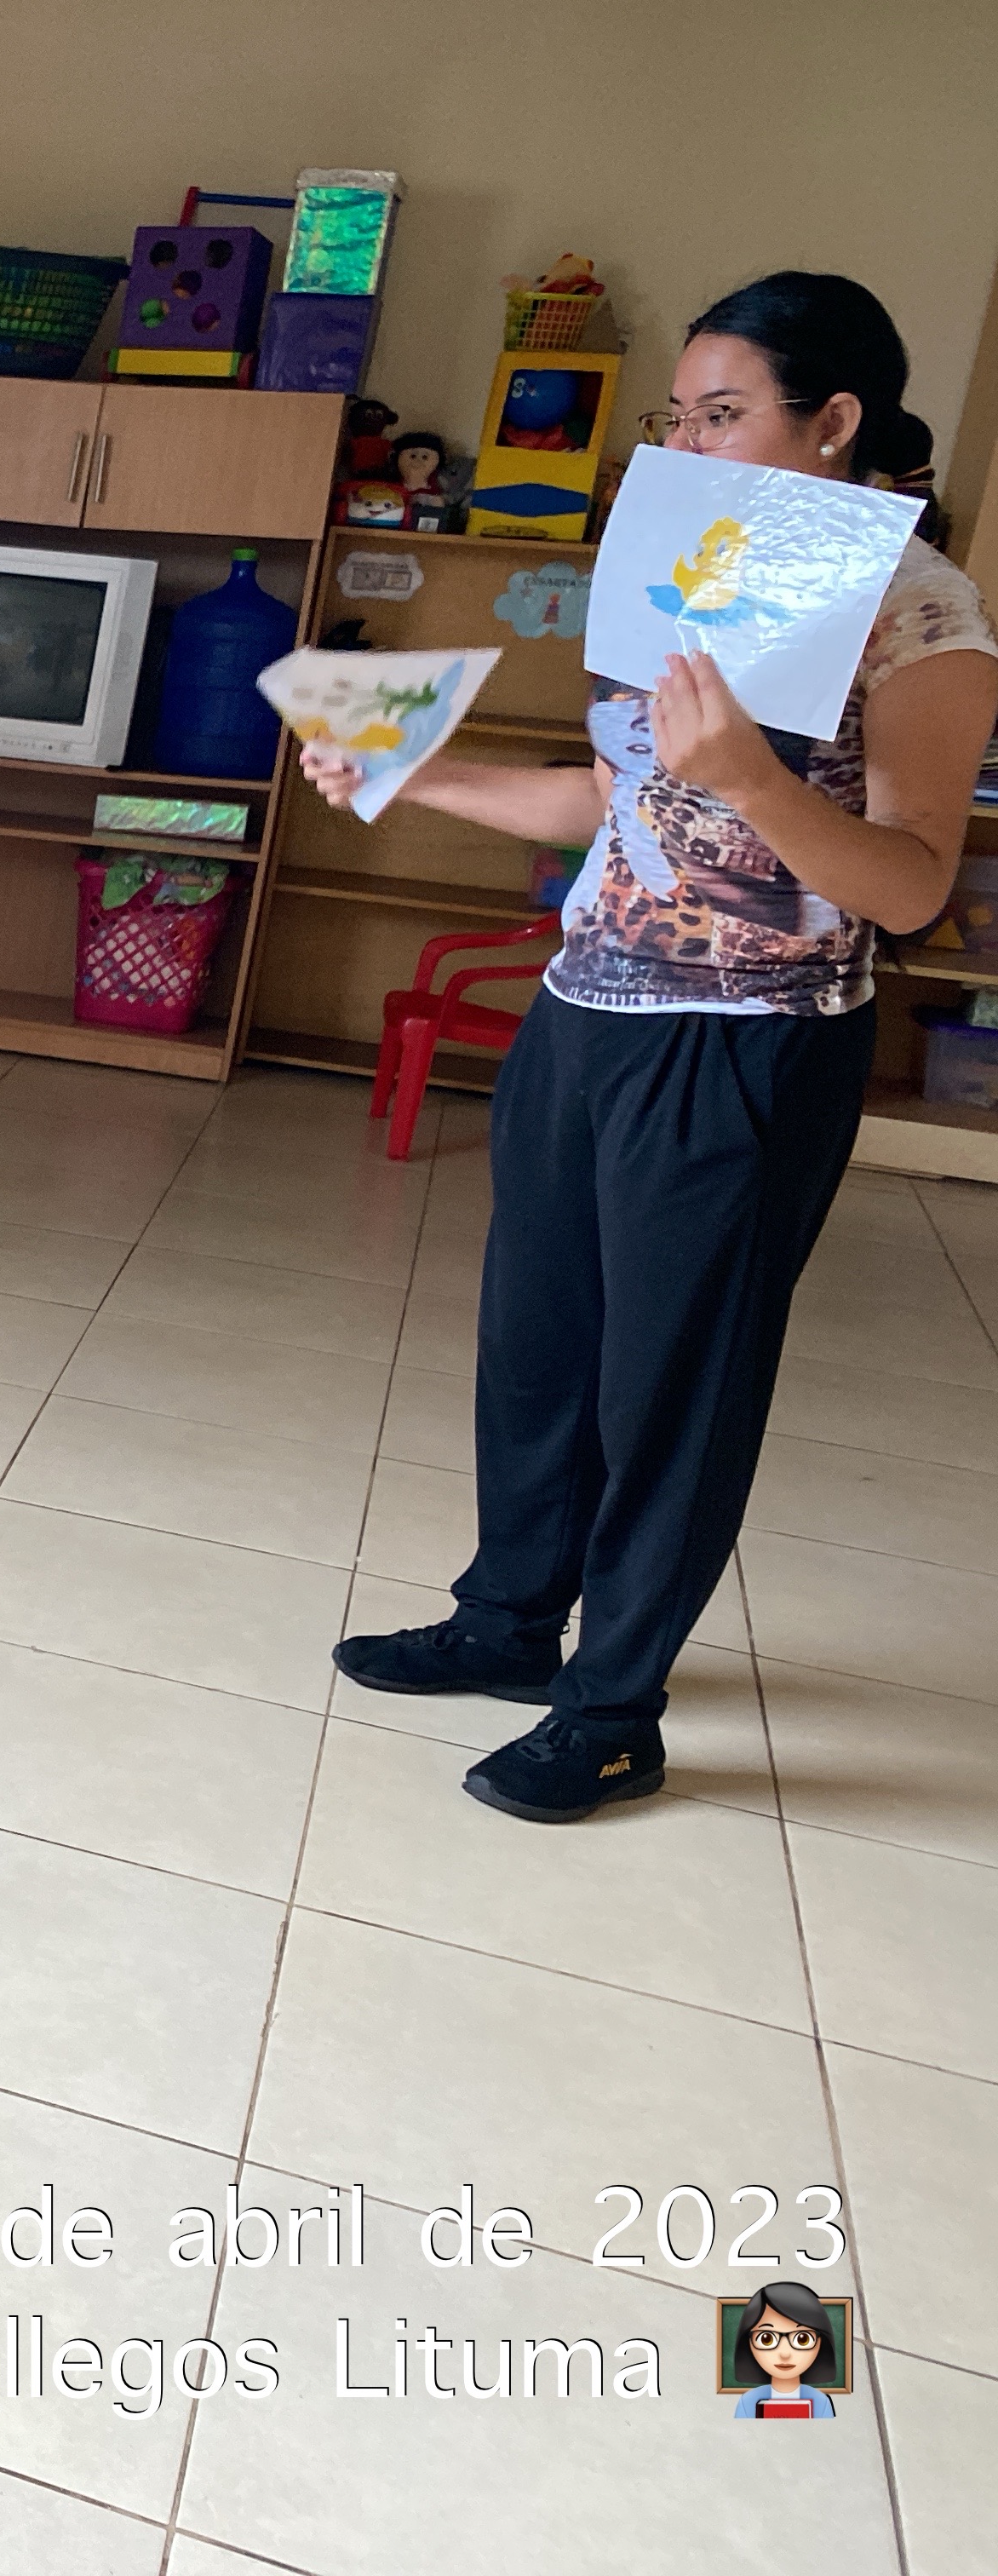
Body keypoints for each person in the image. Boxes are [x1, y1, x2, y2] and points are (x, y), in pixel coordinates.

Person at [313, 273, 998, 1823]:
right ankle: (508, 1618)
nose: (686, 445)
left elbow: (908, 886)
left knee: (671, 1389)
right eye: (676, 417)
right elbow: (614, 798)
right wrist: (406, 770)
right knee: (539, 1345)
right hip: (588, 1011)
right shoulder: (696, 577)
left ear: (833, 422)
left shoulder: (924, 617)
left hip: (750, 1041)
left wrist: (754, 778)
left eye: (723, 413)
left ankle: (615, 1709)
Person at [730, 2282, 839, 2418]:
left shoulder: (822, 2403)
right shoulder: (747, 2402)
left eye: (803, 2339)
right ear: (750, 2343)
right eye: (767, 2339)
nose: (785, 2354)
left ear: (819, 2343)